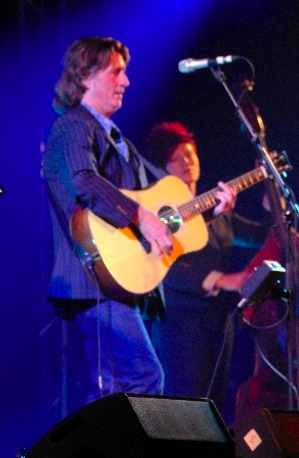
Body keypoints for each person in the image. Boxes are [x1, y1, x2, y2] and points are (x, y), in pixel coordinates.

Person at [42, 36, 238, 405]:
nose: (127, 81)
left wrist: (213, 207)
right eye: (116, 72)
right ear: (85, 76)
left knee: (121, 390)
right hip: (94, 279)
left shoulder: (118, 141)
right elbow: (83, 180)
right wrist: (141, 217)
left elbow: (169, 203)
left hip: (122, 282)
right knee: (145, 377)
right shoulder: (73, 125)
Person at [143, 121, 268, 419]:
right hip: (181, 322)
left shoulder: (220, 213)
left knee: (213, 409)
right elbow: (165, 264)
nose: (187, 162)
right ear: (164, 168)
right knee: (185, 413)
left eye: (191, 155)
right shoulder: (163, 216)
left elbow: (262, 237)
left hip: (219, 322)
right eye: (177, 158)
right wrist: (224, 280)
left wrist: (268, 198)